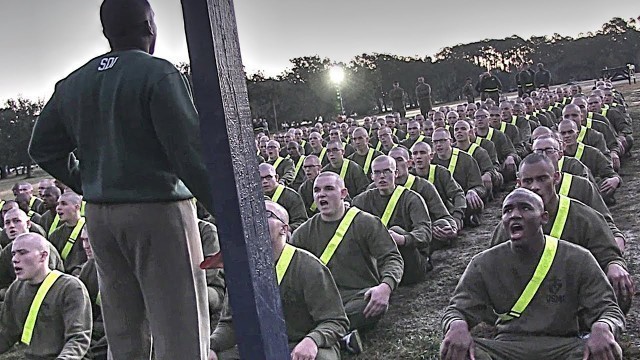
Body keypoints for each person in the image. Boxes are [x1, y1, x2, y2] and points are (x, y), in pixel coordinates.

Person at [28, 1, 213, 358]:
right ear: (148, 25)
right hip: (159, 213)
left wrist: (89, 181)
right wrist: (228, 218)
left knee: (124, 331)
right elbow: (191, 155)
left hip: (100, 216)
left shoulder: (74, 82)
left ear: (106, 32)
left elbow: (43, 148)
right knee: (181, 329)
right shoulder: (158, 73)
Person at [441, 188, 625, 360]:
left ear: (543, 218)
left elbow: (608, 309)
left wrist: (603, 326)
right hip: (507, 346)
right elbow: (457, 309)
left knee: (604, 349)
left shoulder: (577, 258)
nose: (515, 215)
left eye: (525, 208)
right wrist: (457, 325)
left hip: (563, 345)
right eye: (508, 210)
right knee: (460, 350)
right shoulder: (483, 263)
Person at [491, 154, 633, 313]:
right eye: (528, 181)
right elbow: (493, 264)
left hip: (574, 297)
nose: (535, 187)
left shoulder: (584, 217)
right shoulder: (510, 224)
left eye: (542, 179)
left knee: (618, 278)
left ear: (556, 178)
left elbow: (609, 255)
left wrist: (615, 266)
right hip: (529, 301)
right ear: (519, 184)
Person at [209, 200, 349, 360]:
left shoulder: (308, 267)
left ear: (284, 229)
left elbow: (335, 320)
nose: (256, 219)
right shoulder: (241, 269)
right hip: (261, 346)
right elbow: (230, 324)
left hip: (299, 344)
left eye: (266, 214)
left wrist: (313, 340)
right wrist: (212, 346)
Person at [291, 172, 404, 333]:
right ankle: (336, 334)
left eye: (329, 189)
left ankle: (322, 332)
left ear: (343, 193)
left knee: (368, 304)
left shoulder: (366, 222)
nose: (322, 194)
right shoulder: (303, 233)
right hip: (320, 300)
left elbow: (391, 258)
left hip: (355, 296)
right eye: (317, 190)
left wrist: (385, 287)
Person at [0, 233, 92, 359]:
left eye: (22, 253)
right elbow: (6, 335)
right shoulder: (15, 289)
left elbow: (78, 339)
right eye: (13, 254)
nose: (15, 259)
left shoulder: (70, 288)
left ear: (43, 256)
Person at [532, 136, 626, 253]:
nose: (543, 155)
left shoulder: (581, 186)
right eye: (538, 151)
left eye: (549, 151)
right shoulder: (524, 190)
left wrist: (616, 237)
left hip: (578, 246)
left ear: (560, 154)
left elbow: (602, 218)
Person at [353, 156, 432, 285]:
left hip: (409, 261)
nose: (382, 176)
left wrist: (403, 239)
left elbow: (425, 231)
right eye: (377, 172)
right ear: (372, 176)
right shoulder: (361, 200)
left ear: (395, 173)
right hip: (379, 257)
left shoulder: (411, 198)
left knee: (396, 229)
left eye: (387, 171)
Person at [388, 147, 458, 246]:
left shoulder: (424, 186)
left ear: (409, 163)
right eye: (391, 161)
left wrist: (452, 229)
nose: (395, 165)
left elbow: (444, 216)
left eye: (399, 160)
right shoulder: (377, 188)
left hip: (420, 235)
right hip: (392, 236)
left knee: (443, 224)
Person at [0, 209, 64, 302]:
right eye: (7, 223)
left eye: (16, 221)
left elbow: (50, 281)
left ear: (28, 223)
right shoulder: (6, 252)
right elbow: (2, 283)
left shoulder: (41, 247)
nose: (12, 226)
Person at [431, 129, 486, 227]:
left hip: (462, 201)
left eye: (443, 140)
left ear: (451, 141)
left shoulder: (466, 159)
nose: (438, 144)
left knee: (473, 200)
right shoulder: (430, 161)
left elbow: (480, 187)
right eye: (435, 142)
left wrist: (473, 191)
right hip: (441, 204)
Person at [410, 142, 466, 230]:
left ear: (431, 156)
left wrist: (457, 216)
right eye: (415, 153)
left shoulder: (441, 173)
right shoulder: (410, 177)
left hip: (441, 215)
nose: (418, 156)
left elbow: (458, 194)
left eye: (423, 153)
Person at [77, 228, 108, 359]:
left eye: (89, 240)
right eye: (83, 240)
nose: (86, 246)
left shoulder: (128, 269)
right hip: (93, 331)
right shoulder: (90, 267)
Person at [48, 192, 88, 275]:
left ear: (76, 207)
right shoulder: (55, 235)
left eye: (64, 204)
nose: (58, 208)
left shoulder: (89, 230)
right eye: (58, 204)